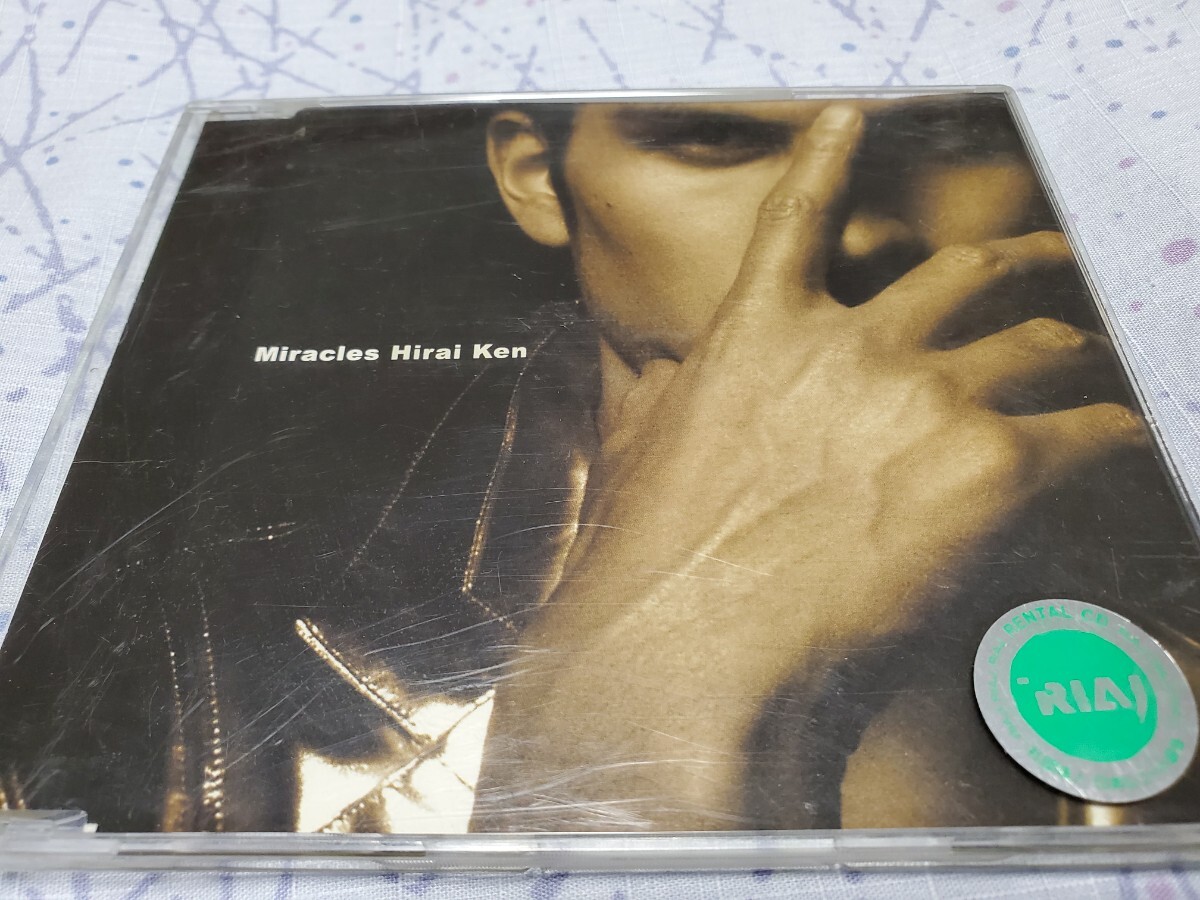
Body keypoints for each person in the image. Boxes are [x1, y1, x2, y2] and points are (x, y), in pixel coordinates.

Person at [0, 95, 1191, 834]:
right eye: (717, 140)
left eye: (947, 138)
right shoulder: (164, 648)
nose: (861, 224)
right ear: (538, 178)